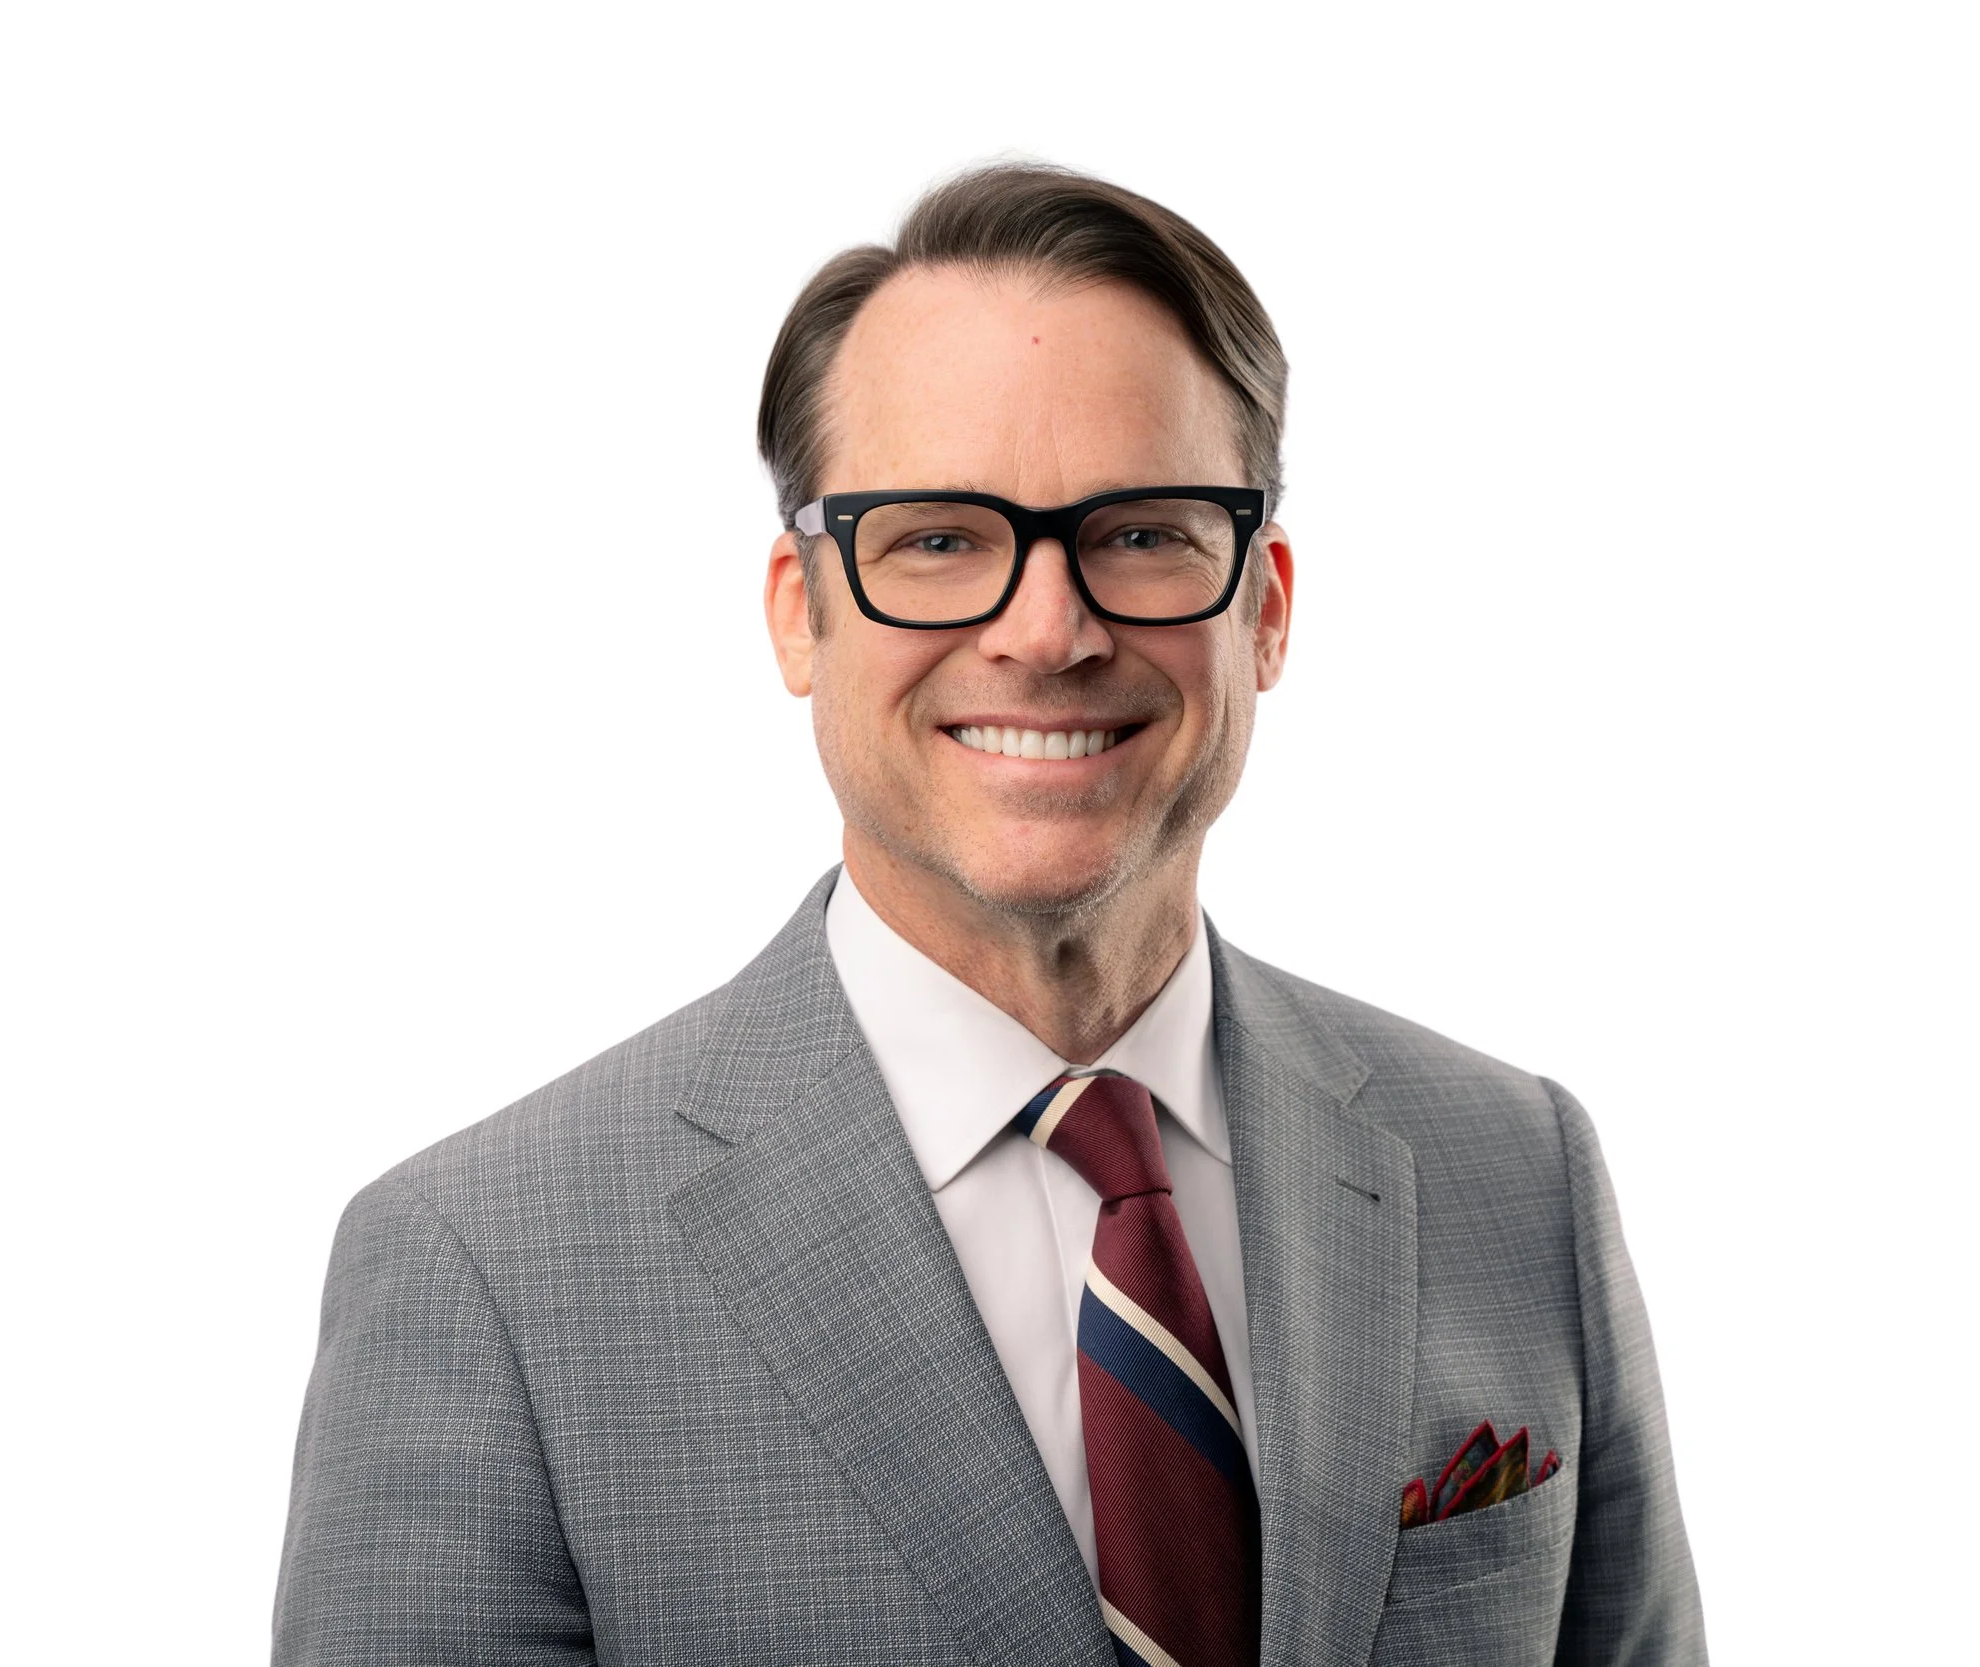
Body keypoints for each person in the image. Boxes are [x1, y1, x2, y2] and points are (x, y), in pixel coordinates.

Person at [273, 161, 1704, 1667]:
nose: (1046, 628)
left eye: (1144, 530)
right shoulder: (483, 1272)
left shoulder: (1516, 1174)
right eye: (939, 538)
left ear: (1266, 604)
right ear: (797, 613)